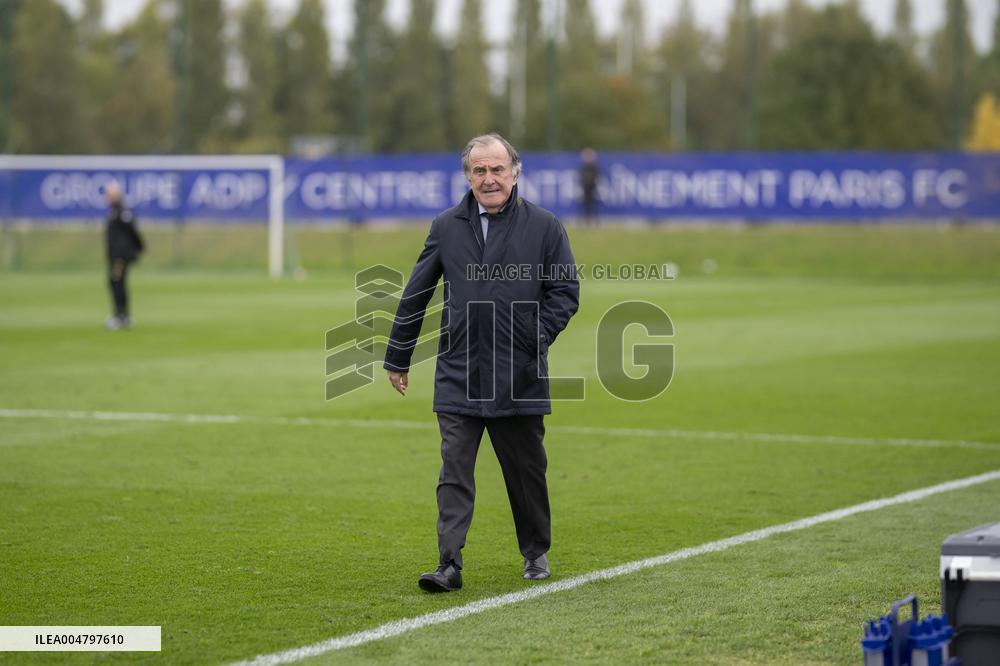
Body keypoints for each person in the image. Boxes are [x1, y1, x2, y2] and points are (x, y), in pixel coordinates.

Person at [384, 133, 579, 592]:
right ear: (467, 175)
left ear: (514, 172)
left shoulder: (545, 226)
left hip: (520, 375)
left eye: (496, 169)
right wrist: (398, 355)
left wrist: (533, 337)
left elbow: (565, 292)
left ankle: (535, 552)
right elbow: (417, 291)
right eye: (479, 171)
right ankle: (448, 564)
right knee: (454, 472)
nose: (488, 179)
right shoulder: (446, 226)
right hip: (459, 372)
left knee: (526, 472)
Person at [103, 181, 144, 330]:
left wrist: (140, 247)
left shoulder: (122, 211)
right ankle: (121, 315)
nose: (107, 197)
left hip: (121, 254)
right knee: (116, 282)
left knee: (117, 282)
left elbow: (132, 230)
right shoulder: (114, 210)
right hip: (115, 254)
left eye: (109, 194)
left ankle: (121, 316)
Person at [579, 147, 600, 226]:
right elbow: (581, 178)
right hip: (585, 189)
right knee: (584, 205)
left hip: (593, 189)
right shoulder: (583, 167)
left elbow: (597, 177)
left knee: (594, 205)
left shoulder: (595, 167)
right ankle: (585, 221)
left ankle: (595, 221)